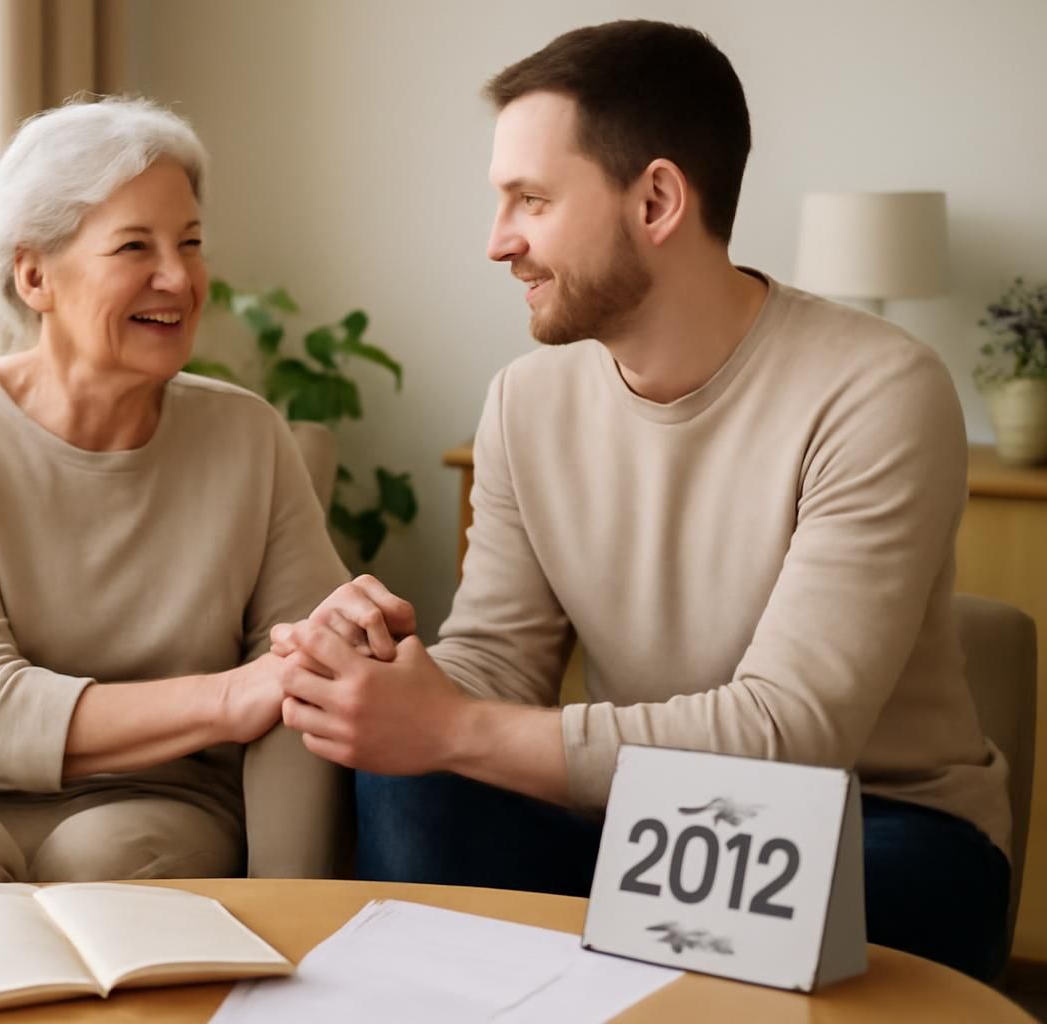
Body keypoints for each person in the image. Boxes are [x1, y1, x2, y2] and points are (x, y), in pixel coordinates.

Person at [271, 21, 1012, 981]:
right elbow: (500, 660)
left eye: (530, 200)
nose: (499, 243)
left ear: (657, 199)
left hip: (871, 828)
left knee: (448, 758)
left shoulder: (877, 390)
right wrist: (387, 676)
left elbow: (786, 736)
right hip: (641, 830)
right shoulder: (523, 403)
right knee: (411, 777)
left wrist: (451, 727)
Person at [0, 96, 348, 905]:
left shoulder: (249, 438)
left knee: (106, 876)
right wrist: (226, 696)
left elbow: (312, 671)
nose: (178, 279)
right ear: (34, 274)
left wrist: (300, 910)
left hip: (152, 795)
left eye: (189, 244)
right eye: (134, 247)